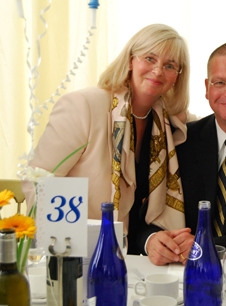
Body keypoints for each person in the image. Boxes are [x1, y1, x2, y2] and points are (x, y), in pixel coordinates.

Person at [23, 24, 194, 259]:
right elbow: (39, 183)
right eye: (150, 58)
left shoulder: (167, 119)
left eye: (170, 65)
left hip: (134, 258)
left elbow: (217, 125)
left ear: (177, 76)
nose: (158, 71)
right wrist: (69, 252)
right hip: (79, 255)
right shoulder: (83, 106)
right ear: (131, 60)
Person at [146, 41, 226, 265]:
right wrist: (152, 240)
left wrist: (209, 247)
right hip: (182, 274)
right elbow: (147, 212)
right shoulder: (180, 141)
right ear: (206, 88)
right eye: (219, 82)